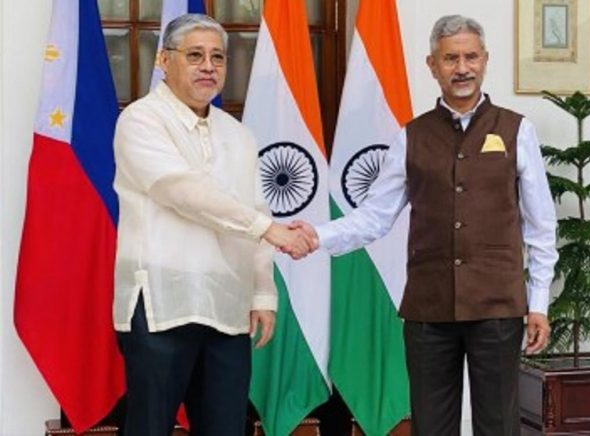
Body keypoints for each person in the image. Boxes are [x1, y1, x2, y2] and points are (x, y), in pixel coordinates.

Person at [292, 15, 558, 436]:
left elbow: (541, 226)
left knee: (498, 424)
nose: (462, 68)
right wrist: (315, 236)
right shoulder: (410, 136)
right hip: (428, 310)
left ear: (485, 60)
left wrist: (538, 302)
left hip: (497, 306)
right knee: (431, 425)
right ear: (432, 65)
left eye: (471, 57)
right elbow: (374, 217)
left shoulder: (516, 130)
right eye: (450, 58)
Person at [112, 14, 310, 436]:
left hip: (227, 304)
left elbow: (255, 211)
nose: (209, 66)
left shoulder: (238, 135)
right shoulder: (141, 120)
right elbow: (181, 191)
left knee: (226, 428)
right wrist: (266, 228)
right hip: (162, 302)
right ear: (164, 60)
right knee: (149, 427)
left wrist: (262, 293)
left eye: (218, 57)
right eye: (195, 55)